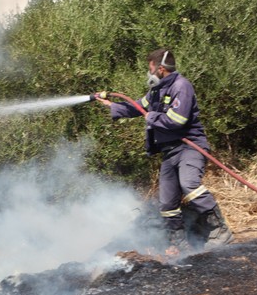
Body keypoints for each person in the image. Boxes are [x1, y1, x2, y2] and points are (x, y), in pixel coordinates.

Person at [95, 48, 233, 254]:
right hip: (170, 151)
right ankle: (180, 245)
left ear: (160, 69)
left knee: (190, 185)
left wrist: (151, 117)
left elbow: (178, 119)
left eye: (150, 69)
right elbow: (138, 107)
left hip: (189, 147)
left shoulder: (181, 86)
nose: (149, 73)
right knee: (167, 203)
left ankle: (220, 232)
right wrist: (111, 106)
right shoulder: (156, 91)